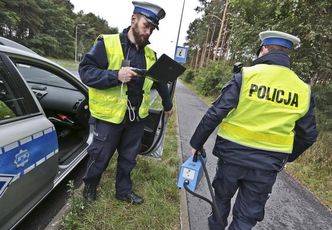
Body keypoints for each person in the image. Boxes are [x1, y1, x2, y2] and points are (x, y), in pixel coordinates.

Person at [190, 30, 318, 229]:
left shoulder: (246, 76)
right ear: (287, 54)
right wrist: (286, 157)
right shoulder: (302, 89)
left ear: (264, 49)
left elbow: (217, 112)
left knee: (220, 200)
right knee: (247, 216)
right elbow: (309, 135)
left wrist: (196, 143)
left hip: (232, 156)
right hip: (267, 165)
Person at [79, 1, 173, 204]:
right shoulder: (107, 43)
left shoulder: (150, 54)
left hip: (136, 118)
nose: (148, 32)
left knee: (129, 158)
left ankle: (123, 191)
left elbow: (161, 81)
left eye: (152, 28)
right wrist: (115, 76)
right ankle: (90, 187)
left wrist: (168, 104)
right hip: (109, 117)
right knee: (100, 156)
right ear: (133, 20)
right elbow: (85, 72)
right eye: (146, 25)